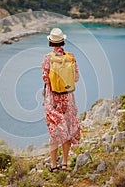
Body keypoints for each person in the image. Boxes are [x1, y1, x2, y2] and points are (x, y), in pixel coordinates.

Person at [42, 28, 81, 172]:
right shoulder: (70, 57)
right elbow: (76, 78)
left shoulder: (48, 58)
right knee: (67, 131)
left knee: (54, 132)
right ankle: (64, 163)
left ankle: (53, 165)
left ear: (50, 42)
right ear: (63, 41)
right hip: (68, 99)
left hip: (53, 100)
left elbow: (46, 79)